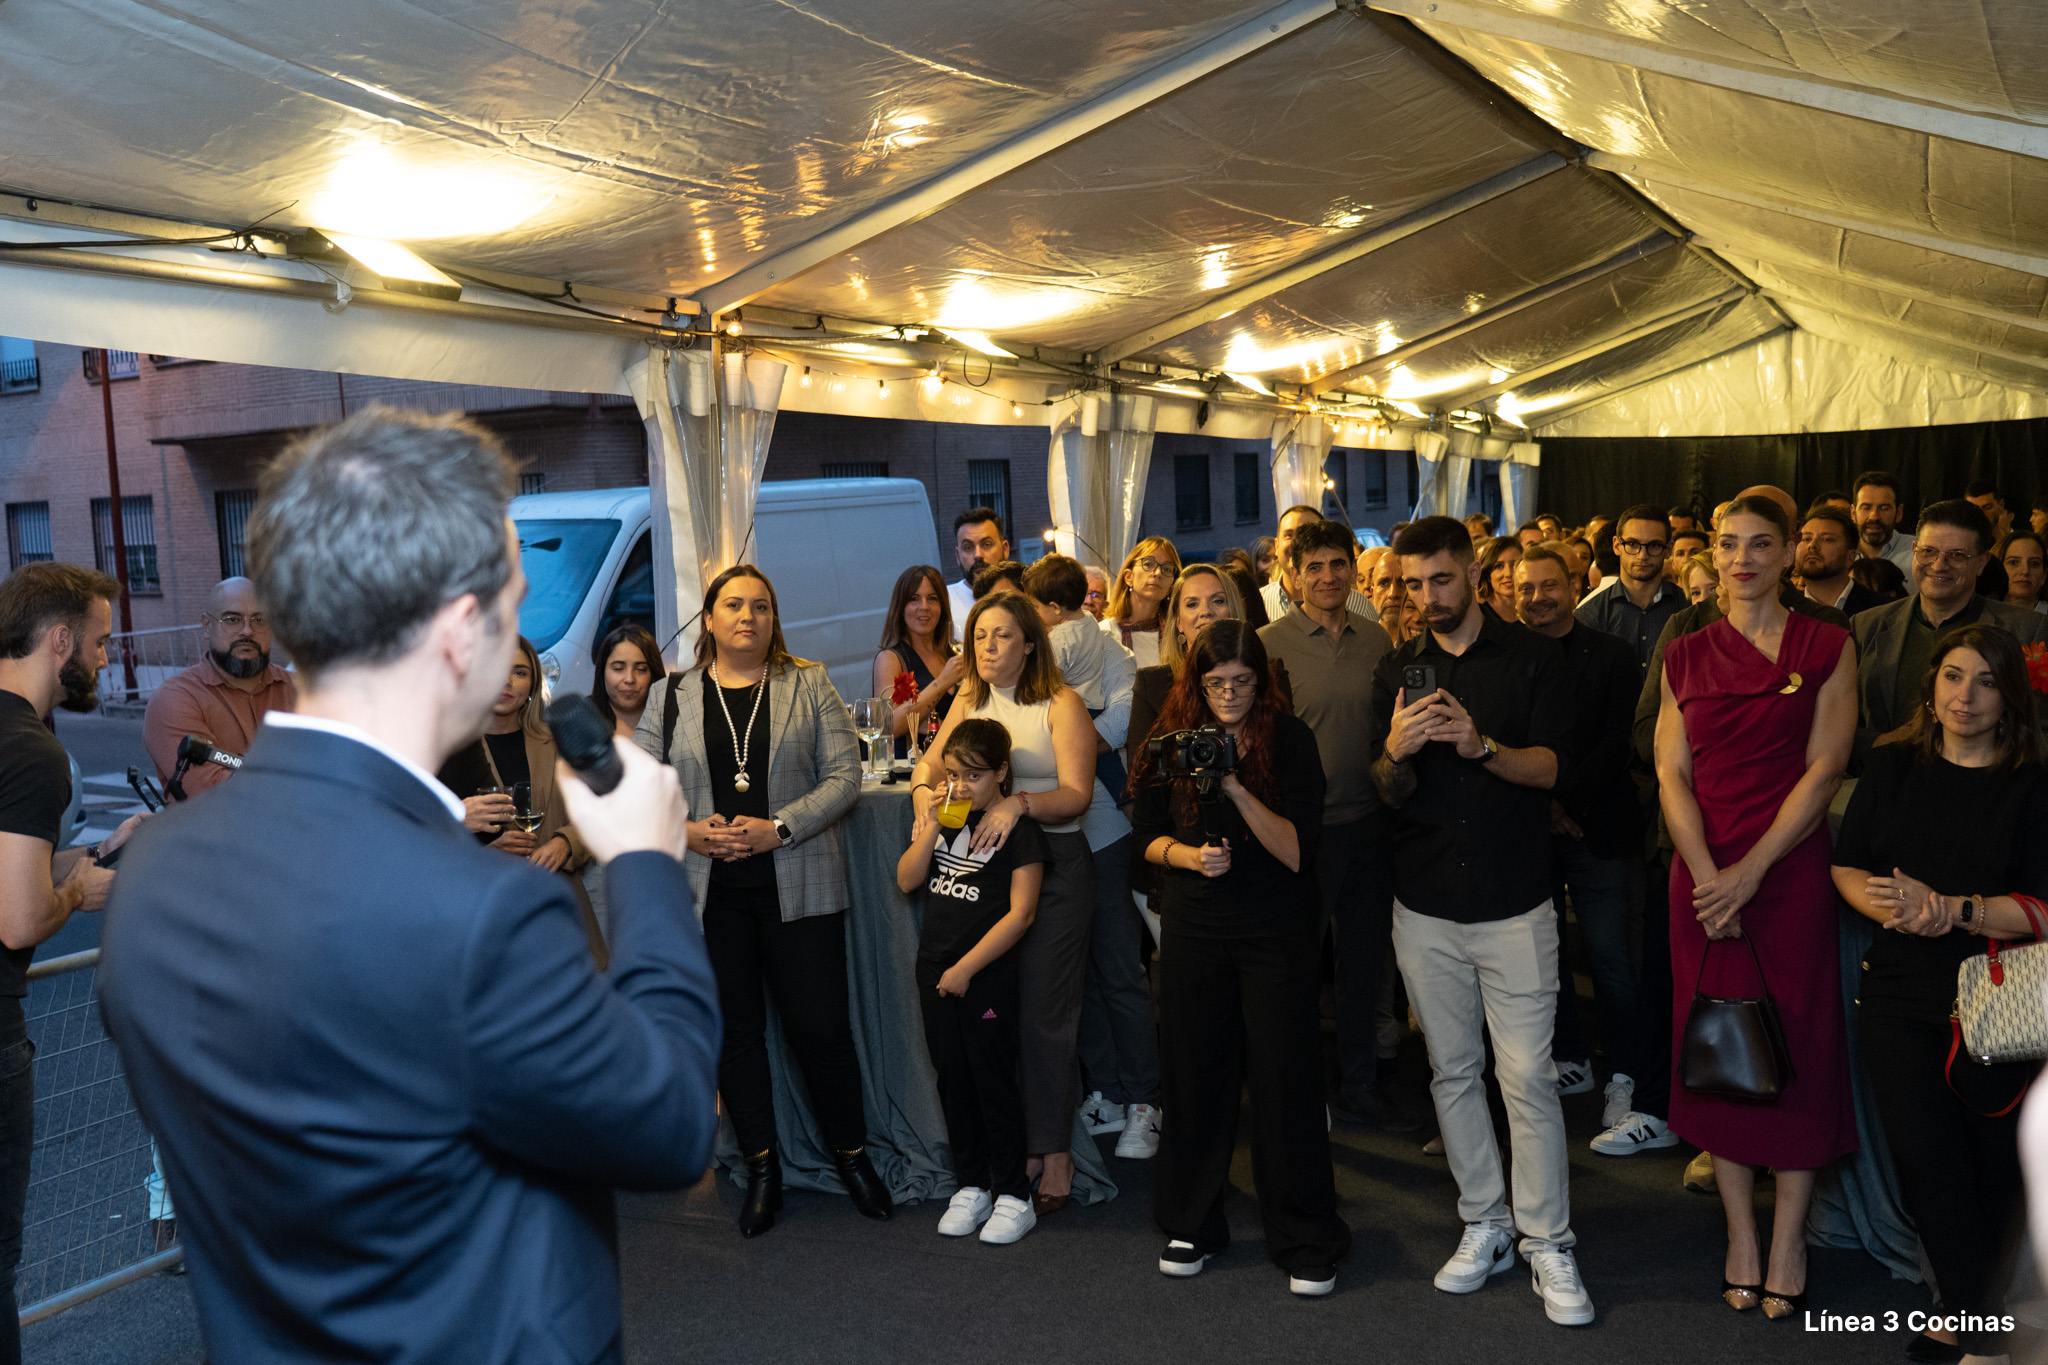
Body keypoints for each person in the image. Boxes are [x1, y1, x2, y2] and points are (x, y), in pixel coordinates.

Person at [97, 406, 719, 1364]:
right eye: (515, 605)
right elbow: (670, 1126)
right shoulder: (484, 912)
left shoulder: (153, 871)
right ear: (463, 631)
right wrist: (645, 858)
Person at [1370, 516, 1594, 1328]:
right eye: (1412, 584)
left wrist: (1481, 745)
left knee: (1527, 1075)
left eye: (1440, 578)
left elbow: (1556, 767)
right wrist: (1396, 750)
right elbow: (1383, 788)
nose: (1426, 596)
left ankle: (1548, 1238)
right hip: (1424, 902)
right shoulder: (1397, 668)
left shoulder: (1533, 658)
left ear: (1473, 572)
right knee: (1452, 1071)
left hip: (1515, 901)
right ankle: (1486, 1221)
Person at [1655, 494, 1858, 1320]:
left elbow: (1826, 768)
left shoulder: (1828, 645)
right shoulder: (1684, 651)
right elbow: (1671, 774)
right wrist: (1712, 878)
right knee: (1719, 1048)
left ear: (1787, 554)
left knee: (1799, 1046)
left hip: (1787, 875)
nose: (1743, 558)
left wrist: (1750, 873)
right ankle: (1742, 1234)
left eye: (1761, 543)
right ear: (1712, 553)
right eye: (1730, 543)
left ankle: (1788, 1239)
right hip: (1702, 882)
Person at [638, 564, 878, 1237]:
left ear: (775, 618)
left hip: (798, 882)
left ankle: (852, 1156)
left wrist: (780, 827)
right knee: (735, 1036)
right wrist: (687, 831)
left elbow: (845, 776)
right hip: (709, 893)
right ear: (709, 618)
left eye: (762, 606)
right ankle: (762, 1166)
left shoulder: (810, 682)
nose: (749, 616)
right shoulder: (671, 694)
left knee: (821, 1031)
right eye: (735, 605)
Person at [1830, 625, 2047, 1364]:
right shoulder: (1892, 765)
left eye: (1986, 681)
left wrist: (1953, 910)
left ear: (2010, 696)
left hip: (2000, 998)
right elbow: (1848, 866)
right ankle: (1983, 1335)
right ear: (1931, 686)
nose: (1965, 696)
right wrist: (1903, 909)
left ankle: (1968, 1314)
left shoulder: (2035, 784)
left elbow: (2043, 906)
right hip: (1899, 991)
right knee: (1926, 1163)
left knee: (1992, 1166)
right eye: (1953, 676)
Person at [1133, 621, 1349, 1296]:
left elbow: (1296, 851)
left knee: (1286, 1079)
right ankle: (1191, 1221)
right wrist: (1188, 856)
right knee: (1194, 1075)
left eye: (1242, 681)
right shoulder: (1170, 741)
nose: (1228, 694)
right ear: (1195, 684)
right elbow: (1145, 838)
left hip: (1274, 927)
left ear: (1263, 681)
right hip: (1195, 926)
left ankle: (1305, 1233)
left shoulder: (1290, 740)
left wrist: (1231, 786)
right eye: (1215, 683)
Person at [913, 593, 1098, 1210]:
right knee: (992, 1018)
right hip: (983, 874)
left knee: (1044, 1012)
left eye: (1002, 636)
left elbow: (1077, 795)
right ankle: (1014, 1144)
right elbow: (928, 770)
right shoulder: (968, 698)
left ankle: (1055, 1153)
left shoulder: (1061, 703)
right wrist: (924, 802)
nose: (988, 647)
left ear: (1030, 644)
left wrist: (1017, 804)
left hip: (1055, 862)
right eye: (979, 636)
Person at [0, 564, 143, 1361]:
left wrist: (86, 855)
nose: (105, 657)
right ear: (60, 640)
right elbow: (20, 917)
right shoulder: (30, 750)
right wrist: (78, 891)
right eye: (101, 640)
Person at [1258, 519, 1409, 1132]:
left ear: (1353, 570)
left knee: (1363, 967)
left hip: (1369, 825)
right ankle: (1297, 1093)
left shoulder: (1376, 640)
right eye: (1313, 567)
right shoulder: (1267, 644)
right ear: (1292, 577)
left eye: (1337, 564)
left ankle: (1359, 1087)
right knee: (1295, 970)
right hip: (1302, 835)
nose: (1327, 577)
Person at [1023, 559, 1157, 1159]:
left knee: (1118, 967)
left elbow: (1125, 721)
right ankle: (1106, 1090)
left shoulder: (1106, 651)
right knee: (1082, 974)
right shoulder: (1043, 655)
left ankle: (1145, 1099)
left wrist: (1068, 745)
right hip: (1051, 832)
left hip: (1101, 827)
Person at [898, 718, 1050, 1246]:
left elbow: (1021, 915)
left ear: (1002, 773)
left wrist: (966, 969)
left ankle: (1013, 1193)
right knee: (952, 1079)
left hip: (984, 976)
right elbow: (907, 879)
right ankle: (972, 1185)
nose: (961, 786)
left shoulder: (1020, 831)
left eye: (974, 776)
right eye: (953, 775)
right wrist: (935, 824)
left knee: (992, 1081)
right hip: (934, 969)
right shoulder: (945, 819)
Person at [1514, 548, 1651, 1127]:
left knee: (1611, 960)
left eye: (1549, 586)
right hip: (1528, 831)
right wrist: (1542, 809)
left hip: (1598, 826)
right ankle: (1570, 1058)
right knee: (1542, 959)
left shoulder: (1612, 653)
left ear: (1575, 587)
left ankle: (1625, 1075)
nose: (1537, 597)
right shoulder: (1504, 657)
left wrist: (1562, 802)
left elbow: (1618, 742)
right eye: (1526, 588)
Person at [438, 635, 606, 965]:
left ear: (532, 684)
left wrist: (565, 844)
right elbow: (421, 832)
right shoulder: (451, 750)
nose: (507, 681)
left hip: (556, 908)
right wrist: (484, 853)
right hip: (483, 914)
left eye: (519, 672)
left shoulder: (558, 742)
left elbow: (600, 813)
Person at [1850, 499, 2048, 767]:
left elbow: (2040, 732)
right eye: (1928, 551)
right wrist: (1880, 744)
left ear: (1981, 562)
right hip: (1885, 779)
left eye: (1957, 555)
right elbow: (1837, 723)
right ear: (1914, 551)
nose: (1939, 564)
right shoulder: (1865, 626)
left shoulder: (2026, 630)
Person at [141, 576, 297, 797]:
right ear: (207, 626)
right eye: (232, 620)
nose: (247, 631)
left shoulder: (303, 691)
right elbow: (216, 795)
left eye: (259, 620)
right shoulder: (174, 701)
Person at [1576, 506, 1685, 671]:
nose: (1642, 555)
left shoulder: (1687, 605)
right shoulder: (1590, 615)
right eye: (1632, 544)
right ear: (1616, 545)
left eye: (1654, 545)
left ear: (1668, 549)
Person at [873, 564, 962, 757]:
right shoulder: (890, 658)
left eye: (932, 598)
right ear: (901, 607)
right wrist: (943, 682)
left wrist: (926, 722)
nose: (924, 607)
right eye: (914, 599)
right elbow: (888, 727)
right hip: (911, 769)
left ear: (942, 607)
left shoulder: (953, 655)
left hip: (957, 766)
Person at [1260, 505, 1374, 623]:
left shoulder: (1359, 605)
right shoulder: (1258, 601)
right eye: (1289, 535)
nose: (1296, 543)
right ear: (1277, 545)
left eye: (1307, 535)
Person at [1103, 537, 1181, 667]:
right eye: (1149, 564)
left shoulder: (1176, 638)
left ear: (1172, 585)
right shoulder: (1104, 633)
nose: (1158, 573)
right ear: (1128, 577)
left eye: (1167, 569)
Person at [1796, 506, 1883, 617]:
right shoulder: (1783, 607)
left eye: (1827, 539)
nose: (1812, 545)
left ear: (1850, 557)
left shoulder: (1880, 610)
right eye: (1806, 539)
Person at [590, 622, 666, 738]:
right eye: (618, 668)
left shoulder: (674, 721)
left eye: (641, 669)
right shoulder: (582, 719)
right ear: (602, 671)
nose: (629, 679)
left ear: (653, 673)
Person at [949, 508, 1011, 636]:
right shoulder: (943, 601)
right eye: (968, 547)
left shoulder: (1026, 597)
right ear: (957, 556)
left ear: (1005, 549)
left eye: (987, 544)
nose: (978, 555)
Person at [1854, 471, 1916, 571]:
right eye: (1866, 508)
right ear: (1853, 513)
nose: (1874, 517)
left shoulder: (1918, 552)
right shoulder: (1840, 554)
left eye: (1884, 508)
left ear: (1899, 513)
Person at [1368, 548, 1419, 645]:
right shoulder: (1359, 644)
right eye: (1384, 583)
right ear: (1372, 594)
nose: (1393, 593)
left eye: (1402, 583)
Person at [1998, 528, 2047, 614]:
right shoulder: (1980, 614)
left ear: (2044, 575)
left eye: (2034, 564)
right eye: (2013, 562)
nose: (2025, 571)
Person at [1475, 536, 1522, 625]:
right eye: (1498, 566)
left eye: (1514, 565)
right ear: (1487, 575)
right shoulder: (1479, 618)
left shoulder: (1534, 612)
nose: (1508, 573)